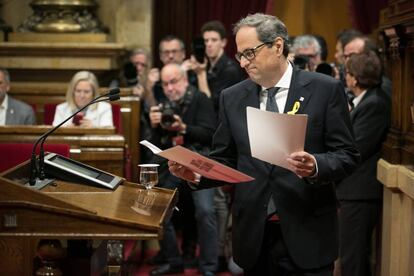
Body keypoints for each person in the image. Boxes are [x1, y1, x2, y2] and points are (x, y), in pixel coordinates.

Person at [168, 13, 360, 276]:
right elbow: (226, 159)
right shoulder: (232, 97)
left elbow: (347, 155)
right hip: (254, 234)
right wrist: (197, 174)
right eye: (240, 55)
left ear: (278, 46)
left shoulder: (324, 89)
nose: (244, 62)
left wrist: (316, 165)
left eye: (250, 52)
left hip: (308, 229)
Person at [148, 63, 218, 276]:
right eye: (165, 84)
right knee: (159, 206)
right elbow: (158, 142)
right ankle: (173, 260)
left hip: (199, 163)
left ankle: (208, 267)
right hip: (174, 165)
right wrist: (155, 125)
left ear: (185, 80)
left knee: (206, 212)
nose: (169, 88)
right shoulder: (163, 105)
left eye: (174, 82)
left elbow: (211, 135)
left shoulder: (200, 99)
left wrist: (183, 128)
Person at [337, 51, 390, 276]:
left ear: (355, 78)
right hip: (353, 191)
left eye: (347, 73)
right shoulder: (365, 100)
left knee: (353, 256)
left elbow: (356, 149)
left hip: (360, 193)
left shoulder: (374, 103)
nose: (345, 77)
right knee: (350, 253)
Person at [191, 20, 244, 113]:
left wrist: (201, 74)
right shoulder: (204, 65)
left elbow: (211, 106)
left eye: (214, 40)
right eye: (205, 41)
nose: (209, 44)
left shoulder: (230, 70)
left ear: (223, 42)